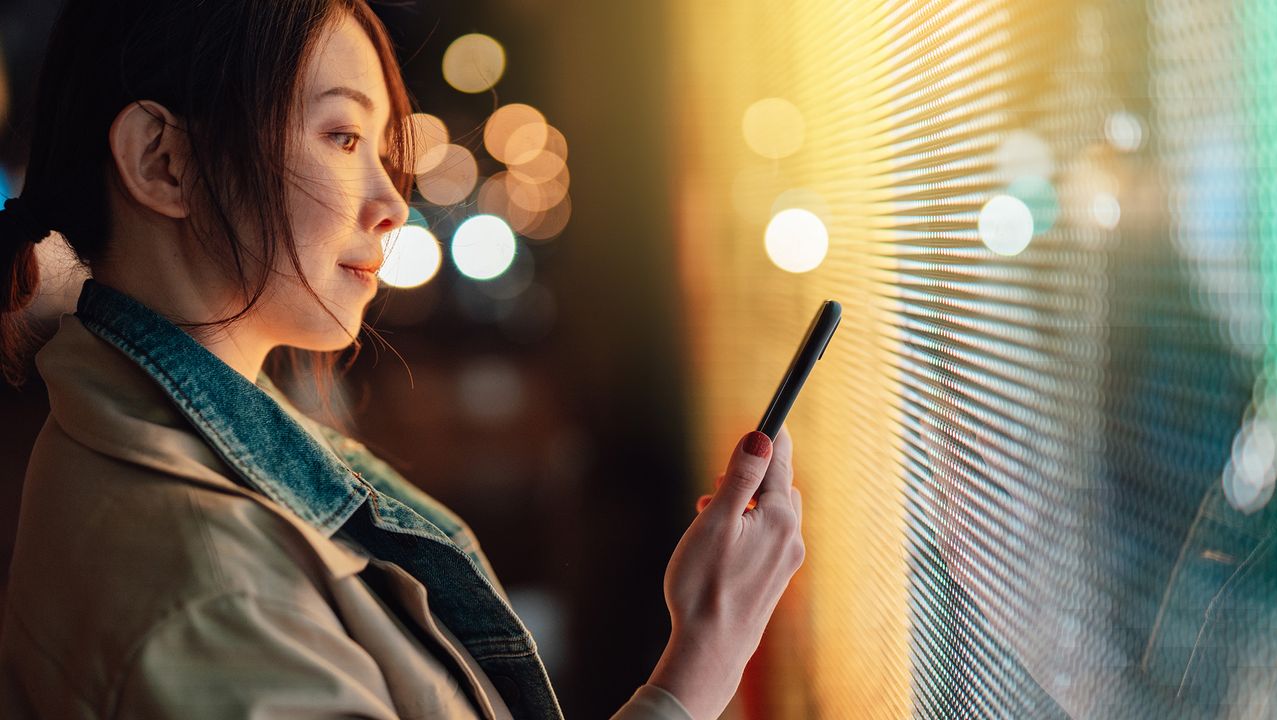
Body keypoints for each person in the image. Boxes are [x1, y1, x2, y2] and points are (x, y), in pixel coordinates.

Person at [0, 1, 806, 718]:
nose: (392, 205)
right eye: (342, 135)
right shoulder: (208, 589)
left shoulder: (165, 460)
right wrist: (697, 671)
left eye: (379, 148)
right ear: (162, 160)